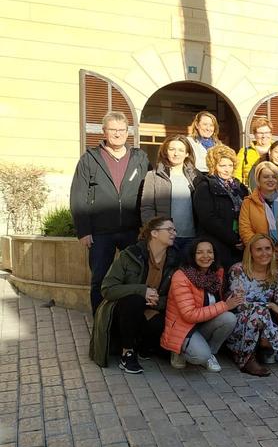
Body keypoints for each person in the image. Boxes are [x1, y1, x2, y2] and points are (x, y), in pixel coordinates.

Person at [70, 111, 150, 313]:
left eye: (121, 130)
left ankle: (129, 317)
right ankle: (100, 319)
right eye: (113, 130)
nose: (117, 134)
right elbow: (79, 196)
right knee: (100, 278)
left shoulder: (139, 158)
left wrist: (147, 226)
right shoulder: (90, 159)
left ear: (128, 132)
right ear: (104, 132)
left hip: (132, 229)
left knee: (135, 274)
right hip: (100, 232)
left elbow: (149, 190)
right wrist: (83, 230)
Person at [88, 216, 179, 374]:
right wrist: (141, 290)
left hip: (151, 308)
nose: (174, 233)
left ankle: (143, 347)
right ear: (155, 233)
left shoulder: (174, 259)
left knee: (158, 324)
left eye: (174, 230)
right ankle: (127, 353)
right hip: (121, 308)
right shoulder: (129, 255)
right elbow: (108, 288)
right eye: (169, 229)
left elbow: (174, 295)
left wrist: (157, 301)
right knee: (135, 300)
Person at [161, 238, 242, 372]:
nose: (205, 256)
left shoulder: (216, 273)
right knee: (200, 356)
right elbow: (189, 315)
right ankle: (179, 350)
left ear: (214, 255)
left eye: (209, 252)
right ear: (192, 256)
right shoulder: (181, 276)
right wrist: (225, 305)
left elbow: (216, 299)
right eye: (199, 252)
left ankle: (210, 354)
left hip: (204, 324)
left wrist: (232, 296)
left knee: (229, 318)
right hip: (184, 327)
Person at [226, 234, 278, 376]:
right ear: (250, 252)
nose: (264, 253)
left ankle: (261, 348)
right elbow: (239, 304)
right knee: (258, 312)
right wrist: (269, 305)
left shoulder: (277, 276)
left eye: (268, 248)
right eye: (259, 249)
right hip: (238, 320)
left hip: (264, 322)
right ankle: (246, 360)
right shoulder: (238, 270)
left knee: (263, 317)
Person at [239, 162, 278, 314]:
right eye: (266, 176)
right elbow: (245, 230)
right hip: (261, 262)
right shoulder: (248, 203)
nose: (270, 180)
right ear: (258, 179)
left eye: (274, 176)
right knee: (264, 305)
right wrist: (265, 253)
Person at [140, 136, 199, 253]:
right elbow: (147, 207)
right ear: (166, 151)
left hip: (192, 238)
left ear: (187, 153)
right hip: (165, 238)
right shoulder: (153, 176)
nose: (176, 153)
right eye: (172, 149)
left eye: (181, 150)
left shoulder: (197, 177)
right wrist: (154, 231)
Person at [192, 144, 248, 269]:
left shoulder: (240, 187)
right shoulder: (204, 187)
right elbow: (208, 218)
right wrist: (233, 239)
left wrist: (244, 238)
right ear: (214, 166)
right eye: (222, 165)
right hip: (216, 245)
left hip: (240, 244)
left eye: (230, 165)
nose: (227, 169)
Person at [236, 117, 273, 186]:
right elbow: (236, 175)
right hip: (250, 194)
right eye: (260, 133)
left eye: (267, 132)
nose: (264, 136)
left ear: (271, 134)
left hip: (275, 195)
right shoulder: (244, 152)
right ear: (254, 134)